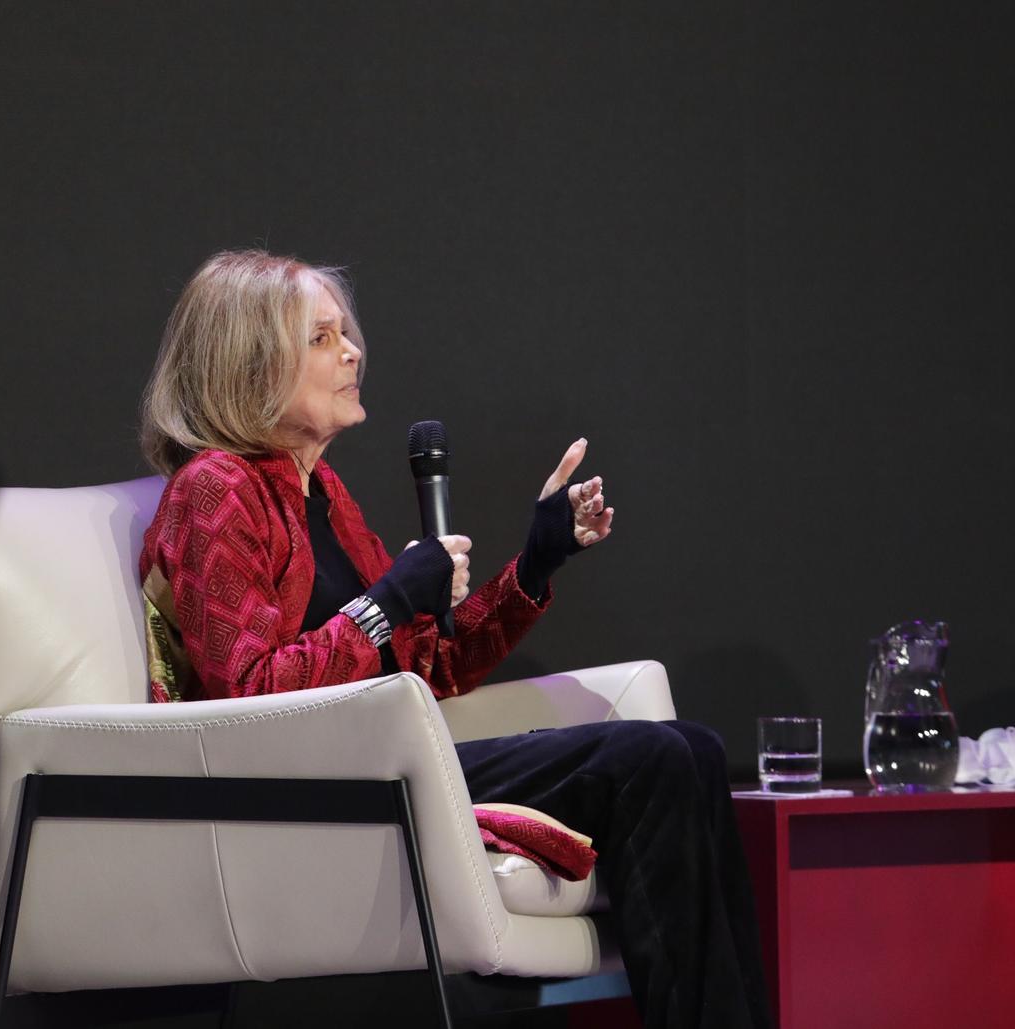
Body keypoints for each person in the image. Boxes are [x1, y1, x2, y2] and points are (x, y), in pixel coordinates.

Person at [137, 249, 772, 1029]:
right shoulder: (215, 488)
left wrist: (534, 564)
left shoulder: (320, 492)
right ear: (251, 362)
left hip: (382, 756)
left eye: (347, 332)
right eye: (321, 337)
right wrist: (385, 602)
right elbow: (249, 696)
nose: (352, 350)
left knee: (694, 748)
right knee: (651, 759)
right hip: (306, 786)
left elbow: (429, 664)